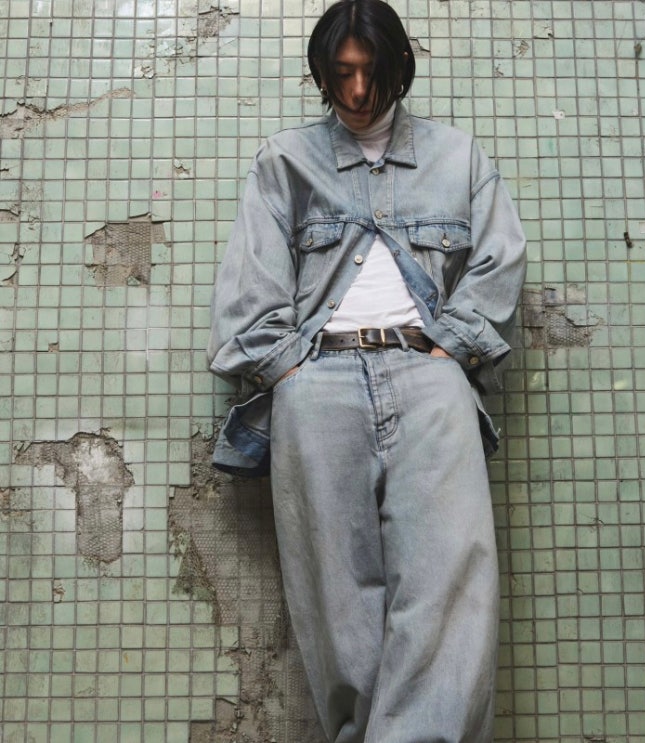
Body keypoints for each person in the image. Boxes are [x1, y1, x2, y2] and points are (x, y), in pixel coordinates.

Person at [207, 0, 526, 740]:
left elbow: (499, 259)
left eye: (371, 72)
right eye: (340, 73)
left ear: (400, 66)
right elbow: (250, 286)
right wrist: (288, 371)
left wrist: (451, 347)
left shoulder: (457, 158)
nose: (356, 92)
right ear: (321, 74)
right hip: (316, 384)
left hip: (428, 375)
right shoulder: (285, 161)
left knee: (448, 582)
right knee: (337, 597)